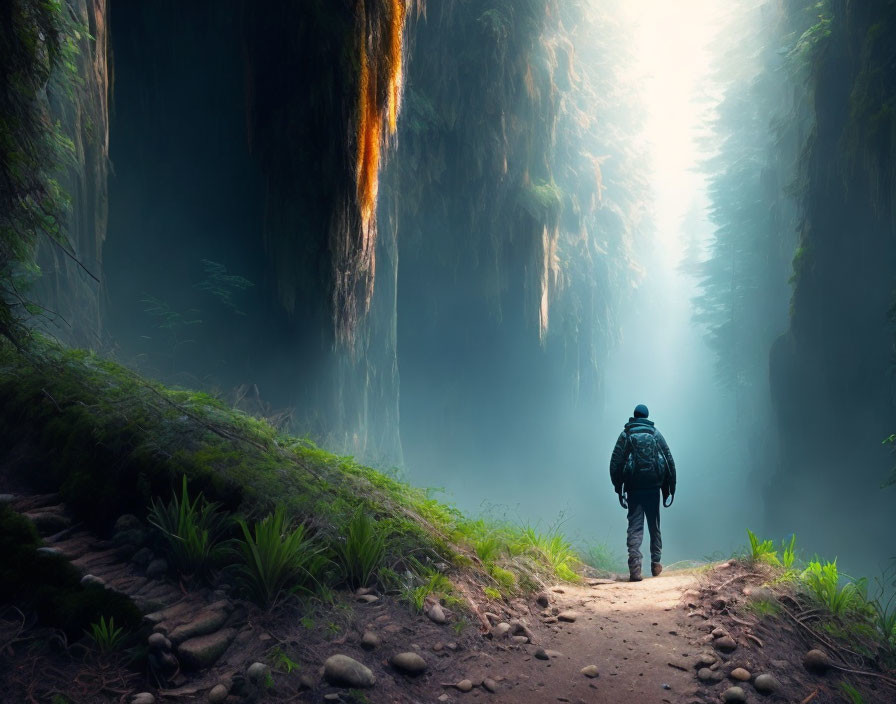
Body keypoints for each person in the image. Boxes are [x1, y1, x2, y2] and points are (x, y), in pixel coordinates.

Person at [609, 404, 676, 582]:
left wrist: (618, 487)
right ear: (647, 416)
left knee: (635, 527)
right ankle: (656, 563)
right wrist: (670, 488)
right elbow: (668, 459)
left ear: (634, 416)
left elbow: (615, 462)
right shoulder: (655, 433)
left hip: (633, 488)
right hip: (653, 487)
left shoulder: (626, 435)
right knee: (654, 526)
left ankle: (635, 569)